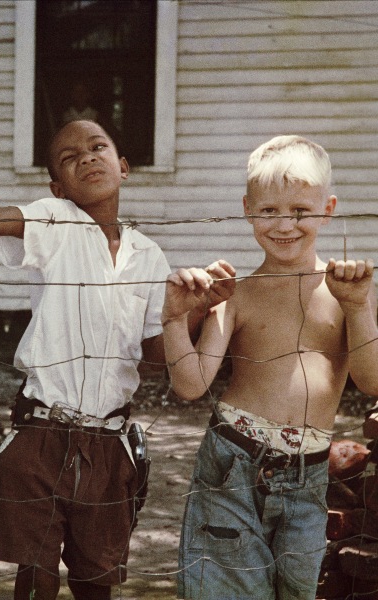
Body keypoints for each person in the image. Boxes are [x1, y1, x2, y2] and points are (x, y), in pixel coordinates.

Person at [0, 119, 233, 600]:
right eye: (70, 158)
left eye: (98, 148)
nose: (88, 157)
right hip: (42, 433)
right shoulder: (57, 222)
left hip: (111, 441)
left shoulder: (148, 256)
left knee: (97, 579)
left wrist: (194, 311)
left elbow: (156, 358)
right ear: (57, 186)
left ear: (123, 165)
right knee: (34, 577)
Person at [162, 134, 378, 600]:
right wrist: (176, 318)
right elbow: (191, 384)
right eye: (269, 211)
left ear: (328, 207)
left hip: (308, 474)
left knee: (296, 591)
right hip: (233, 464)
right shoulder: (235, 291)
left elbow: (372, 381)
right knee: (226, 589)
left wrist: (359, 308)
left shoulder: (348, 291)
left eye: (300, 210)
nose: (284, 224)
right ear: (247, 209)